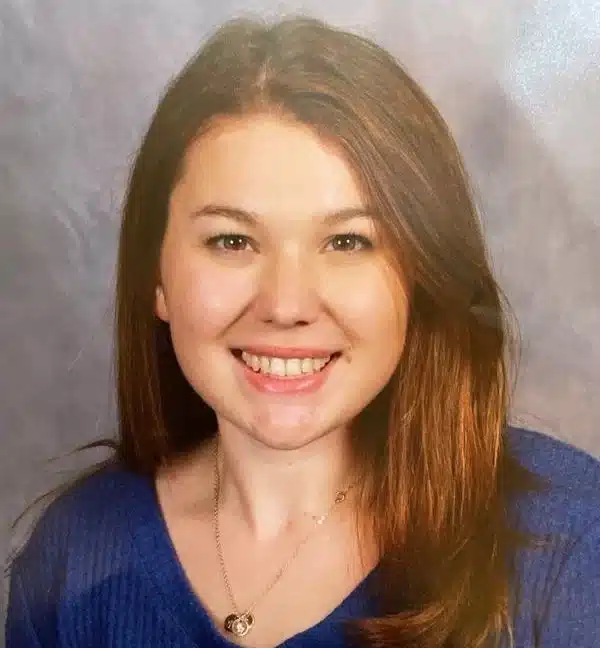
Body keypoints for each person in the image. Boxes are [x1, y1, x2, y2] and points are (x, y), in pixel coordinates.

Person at [5, 15, 600, 648]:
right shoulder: (72, 560)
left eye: (347, 241)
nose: (285, 305)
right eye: (231, 240)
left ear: (420, 274)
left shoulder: (567, 543)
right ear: (157, 278)